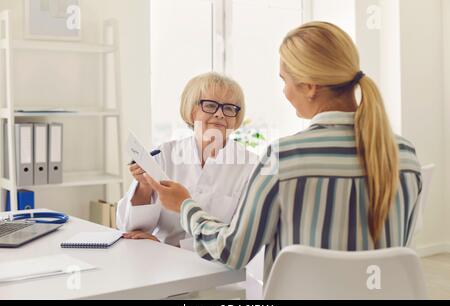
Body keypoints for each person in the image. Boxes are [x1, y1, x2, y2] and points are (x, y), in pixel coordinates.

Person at [143, 22, 423, 283]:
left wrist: (184, 206)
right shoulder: (404, 154)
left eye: (284, 80)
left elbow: (231, 252)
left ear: (310, 86)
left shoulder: (284, 157)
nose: (285, 92)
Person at [116, 72, 258, 248]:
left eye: (229, 108)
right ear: (191, 112)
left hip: (215, 267)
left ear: (236, 118)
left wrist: (168, 247)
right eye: (210, 105)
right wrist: (144, 187)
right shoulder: (164, 154)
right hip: (160, 262)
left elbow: (242, 238)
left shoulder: (251, 167)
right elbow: (128, 228)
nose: (220, 114)